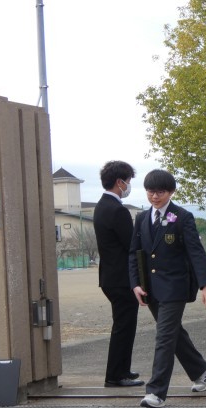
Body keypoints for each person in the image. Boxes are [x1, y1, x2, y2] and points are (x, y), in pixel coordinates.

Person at [129, 169, 206, 408]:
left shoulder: (182, 217)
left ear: (171, 192)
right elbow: (134, 253)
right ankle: (201, 369)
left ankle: (156, 392)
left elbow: (196, 252)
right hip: (150, 288)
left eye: (160, 192)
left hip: (175, 287)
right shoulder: (141, 218)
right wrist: (135, 284)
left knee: (164, 337)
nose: (155, 196)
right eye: (150, 192)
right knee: (173, 333)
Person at [93, 161, 145, 388]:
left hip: (109, 276)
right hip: (122, 279)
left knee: (123, 325)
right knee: (124, 326)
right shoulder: (117, 210)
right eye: (128, 181)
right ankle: (116, 375)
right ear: (119, 182)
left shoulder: (101, 206)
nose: (128, 186)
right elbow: (132, 244)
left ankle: (122, 369)